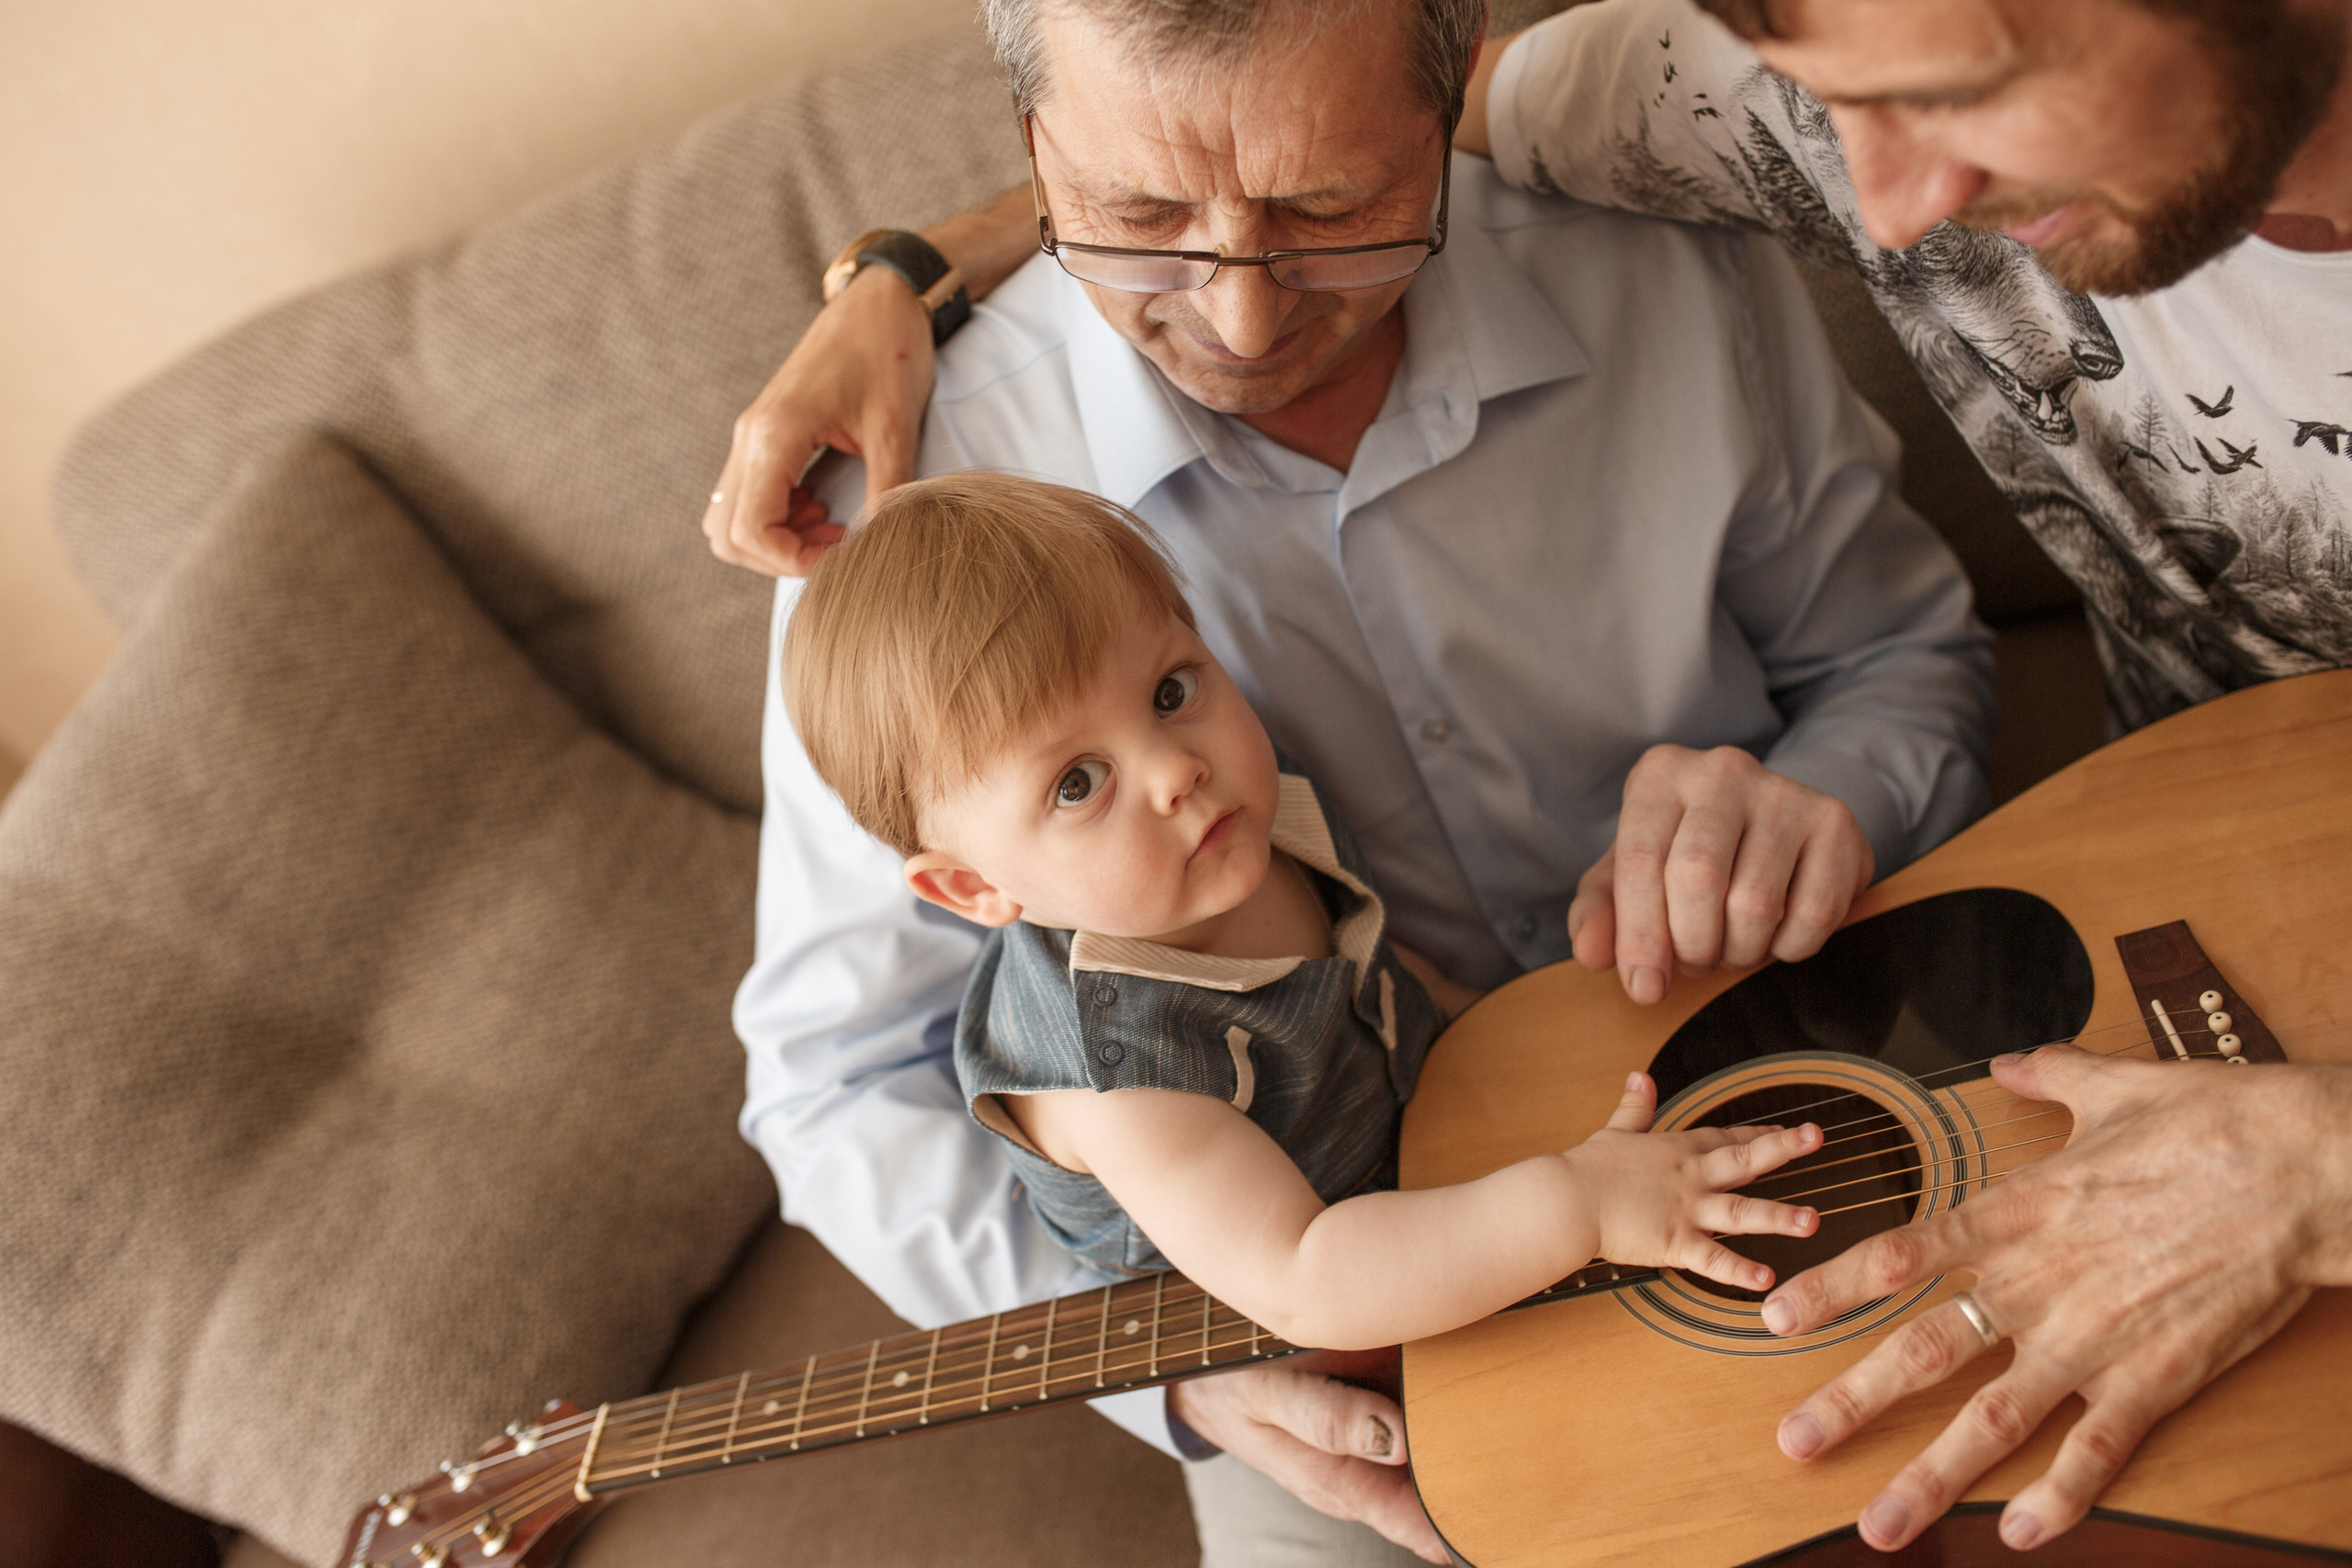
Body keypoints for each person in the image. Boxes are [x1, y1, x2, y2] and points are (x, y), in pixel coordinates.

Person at [718, 0, 2352, 1553]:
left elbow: (1902, 662)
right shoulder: (906, 518)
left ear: (1448, 106)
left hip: (1802, 1080)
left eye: (1331, 205)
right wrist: (1172, 1365)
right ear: (1035, 146)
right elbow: (836, 1084)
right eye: (1135, 212)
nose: (1242, 313)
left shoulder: (1654, 238)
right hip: (1338, 1319)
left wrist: (1831, 793)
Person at [785, 470, 1827, 1348]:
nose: (1175, 772)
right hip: (1282, 1314)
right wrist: (1579, 1203)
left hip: (1418, 1156)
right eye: (1075, 783)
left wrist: (1514, 1053)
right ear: (974, 890)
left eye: (1169, 691)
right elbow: (1305, 1279)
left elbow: (1370, 971)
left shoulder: (1238, 816)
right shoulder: (1116, 1077)